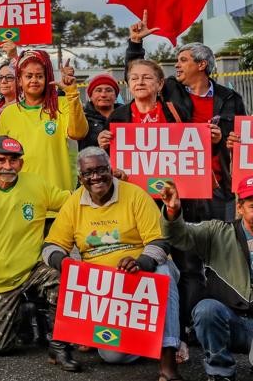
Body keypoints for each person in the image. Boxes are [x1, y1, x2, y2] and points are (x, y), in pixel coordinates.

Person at [42, 147, 181, 380]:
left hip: (142, 272)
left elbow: (160, 241)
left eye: (101, 170)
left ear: (111, 170)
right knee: (112, 356)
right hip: (108, 291)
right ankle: (150, 340)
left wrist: (142, 262)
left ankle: (168, 360)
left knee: (163, 273)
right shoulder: (74, 203)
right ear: (81, 178)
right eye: (88, 173)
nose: (95, 177)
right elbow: (50, 247)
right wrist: (64, 262)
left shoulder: (135, 194)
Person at [0, 136, 78, 370]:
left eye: (14, 161)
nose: (7, 167)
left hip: (32, 269)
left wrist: (109, 181)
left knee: (63, 279)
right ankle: (22, 310)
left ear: (21, 163)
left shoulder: (37, 184)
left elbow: (71, 201)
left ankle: (59, 346)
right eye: (1, 160)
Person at [128, 10, 246, 220]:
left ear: (201, 65)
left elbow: (242, 141)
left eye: (183, 60)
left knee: (218, 244)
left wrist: (227, 140)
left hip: (218, 186)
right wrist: (135, 44)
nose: (176, 65)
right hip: (180, 185)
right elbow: (139, 74)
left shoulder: (231, 98)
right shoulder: (169, 90)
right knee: (183, 244)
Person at [161, 177, 253, 381]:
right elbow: (180, 236)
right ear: (239, 208)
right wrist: (173, 212)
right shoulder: (218, 232)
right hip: (233, 323)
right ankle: (220, 373)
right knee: (206, 309)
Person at [0, 49, 87, 208]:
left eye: (39, 76)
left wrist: (72, 93)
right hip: (20, 201)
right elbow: (2, 159)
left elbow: (78, 132)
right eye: (28, 76)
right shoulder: (8, 114)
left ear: (47, 78)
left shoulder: (62, 105)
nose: (34, 80)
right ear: (19, 80)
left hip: (59, 199)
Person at [80, 72, 121, 150]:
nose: (103, 95)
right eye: (98, 90)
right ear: (91, 96)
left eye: (109, 90)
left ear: (116, 96)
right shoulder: (82, 117)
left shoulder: (127, 114)